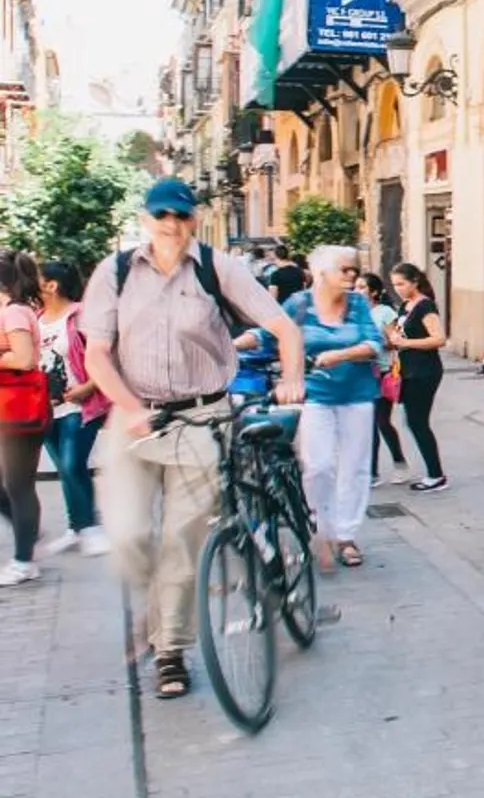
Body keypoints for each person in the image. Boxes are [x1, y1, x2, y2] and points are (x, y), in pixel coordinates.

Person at [84, 178, 303, 699]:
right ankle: (161, 606)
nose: (171, 224)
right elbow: (96, 353)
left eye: (181, 216)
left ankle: (170, 652)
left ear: (193, 220)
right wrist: (133, 410)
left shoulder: (216, 266)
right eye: (161, 214)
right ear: (146, 218)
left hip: (202, 419)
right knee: (127, 536)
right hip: (135, 419)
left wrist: (292, 375)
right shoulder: (115, 272)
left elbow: (285, 329)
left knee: (181, 543)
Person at [241, 245, 382, 569]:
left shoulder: (359, 304)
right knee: (317, 465)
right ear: (321, 273)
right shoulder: (299, 304)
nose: (352, 276)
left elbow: (374, 343)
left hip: (358, 395)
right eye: (344, 270)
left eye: (354, 270)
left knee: (355, 467)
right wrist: (229, 346)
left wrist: (340, 355)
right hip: (315, 395)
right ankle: (321, 525)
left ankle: (345, 536)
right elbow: (268, 334)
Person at [37, 261, 111, 558]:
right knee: (65, 469)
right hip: (46, 408)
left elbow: (105, 356)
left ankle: (91, 527)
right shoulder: (37, 318)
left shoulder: (80, 316)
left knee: (72, 464)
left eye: (38, 279)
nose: (33, 283)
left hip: (81, 405)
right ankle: (76, 528)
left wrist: (90, 386)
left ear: (52, 285)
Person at [0, 250, 47, 587]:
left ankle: (24, 560)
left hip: (17, 408)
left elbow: (25, 358)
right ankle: (26, 530)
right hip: (8, 409)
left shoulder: (14, 312)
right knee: (14, 487)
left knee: (19, 485)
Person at [387, 263, 449, 492]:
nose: (398, 289)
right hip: (408, 369)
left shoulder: (425, 306)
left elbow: (439, 338)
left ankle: (436, 474)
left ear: (415, 281)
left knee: (417, 422)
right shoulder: (406, 306)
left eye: (402, 284)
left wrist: (406, 342)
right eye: (394, 285)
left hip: (424, 370)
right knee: (413, 421)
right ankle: (434, 472)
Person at [355, 271, 410, 486]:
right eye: (356, 287)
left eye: (362, 287)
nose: (357, 291)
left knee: (381, 421)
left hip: (382, 370)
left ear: (374, 292)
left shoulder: (384, 312)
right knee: (367, 423)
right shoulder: (354, 313)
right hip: (361, 372)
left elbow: (394, 341)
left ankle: (399, 462)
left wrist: (373, 347)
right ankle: (371, 472)